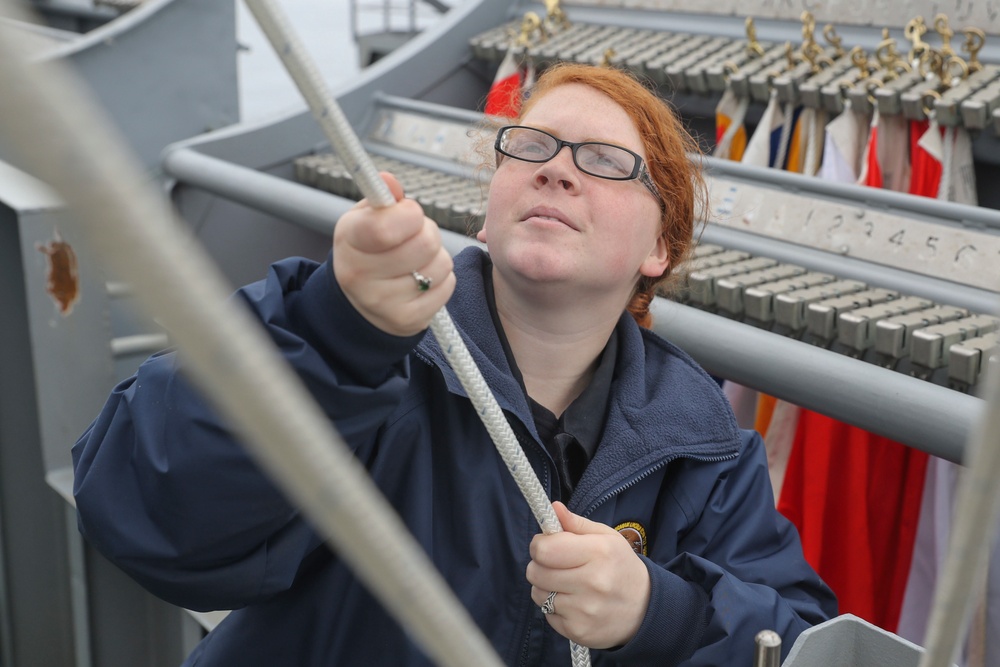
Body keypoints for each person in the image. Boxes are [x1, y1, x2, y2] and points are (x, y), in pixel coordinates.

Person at [72, 62, 836, 666]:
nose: (557, 170)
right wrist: (336, 337)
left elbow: (805, 642)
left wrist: (657, 612)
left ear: (658, 249)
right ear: (490, 200)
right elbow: (147, 510)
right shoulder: (345, 344)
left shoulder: (704, 450)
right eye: (531, 146)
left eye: (604, 161)